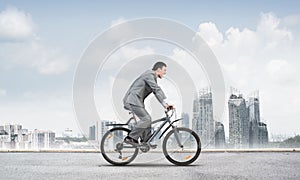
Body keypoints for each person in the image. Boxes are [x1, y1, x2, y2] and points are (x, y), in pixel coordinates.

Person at [123, 61, 173, 146]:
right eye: (164, 70)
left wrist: (165, 105)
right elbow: (156, 89)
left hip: (136, 101)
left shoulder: (152, 77)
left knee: (147, 119)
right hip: (132, 100)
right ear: (158, 69)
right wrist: (165, 103)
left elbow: (155, 92)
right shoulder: (149, 75)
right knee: (146, 119)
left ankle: (145, 141)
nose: (165, 72)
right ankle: (130, 138)